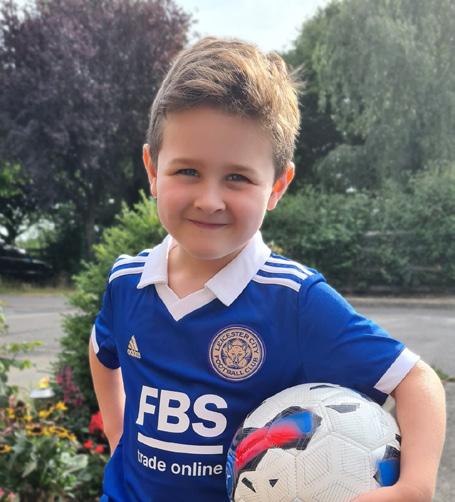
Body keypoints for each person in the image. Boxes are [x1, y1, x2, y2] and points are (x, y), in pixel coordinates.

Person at [89, 37, 446, 502]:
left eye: (237, 177)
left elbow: (417, 382)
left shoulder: (294, 300)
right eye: (187, 171)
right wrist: (118, 433)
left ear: (277, 185)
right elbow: (102, 351)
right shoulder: (126, 282)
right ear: (153, 170)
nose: (209, 200)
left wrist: (414, 487)